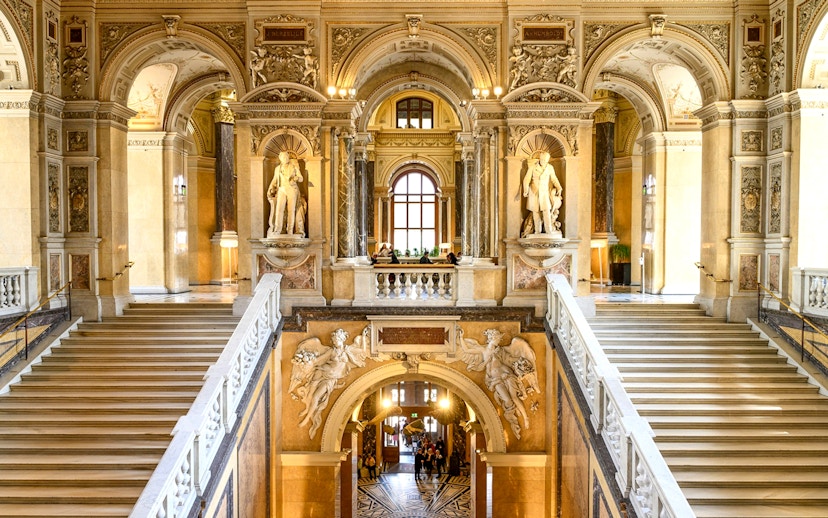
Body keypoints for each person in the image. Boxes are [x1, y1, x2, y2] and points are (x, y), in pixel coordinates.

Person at [522, 151, 563, 235]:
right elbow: (526, 179)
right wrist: (526, 190)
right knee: (536, 211)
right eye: (542, 159)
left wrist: (559, 187)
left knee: (546, 210)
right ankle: (537, 231)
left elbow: (554, 179)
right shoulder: (533, 167)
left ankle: (548, 230)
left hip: (545, 192)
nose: (543, 161)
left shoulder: (550, 168)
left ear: (547, 160)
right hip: (534, 191)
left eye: (545, 160)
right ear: (540, 159)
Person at [267, 151, 304, 236]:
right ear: (280, 159)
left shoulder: (294, 167)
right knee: (279, 209)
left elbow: (301, 178)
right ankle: (277, 230)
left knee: (291, 210)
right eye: (283, 157)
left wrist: (296, 178)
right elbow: (274, 179)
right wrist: (270, 188)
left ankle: (290, 230)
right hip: (281, 189)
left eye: (287, 157)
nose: (285, 158)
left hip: (292, 189)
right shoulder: (277, 169)